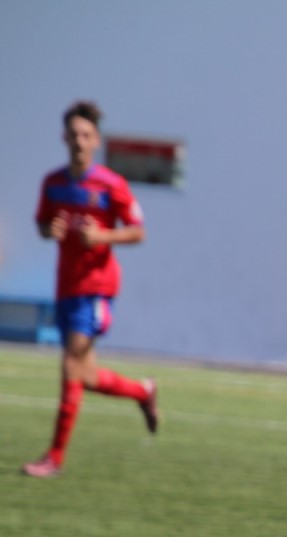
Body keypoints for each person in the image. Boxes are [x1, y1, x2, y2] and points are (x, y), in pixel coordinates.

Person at [24, 100, 157, 478]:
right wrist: (50, 231)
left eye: (87, 135)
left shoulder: (111, 185)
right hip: (66, 286)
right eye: (74, 134)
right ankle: (142, 392)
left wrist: (102, 236)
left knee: (69, 365)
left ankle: (54, 457)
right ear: (64, 137)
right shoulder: (53, 183)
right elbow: (41, 224)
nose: (80, 141)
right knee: (85, 374)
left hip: (97, 288)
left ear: (96, 140)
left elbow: (138, 232)